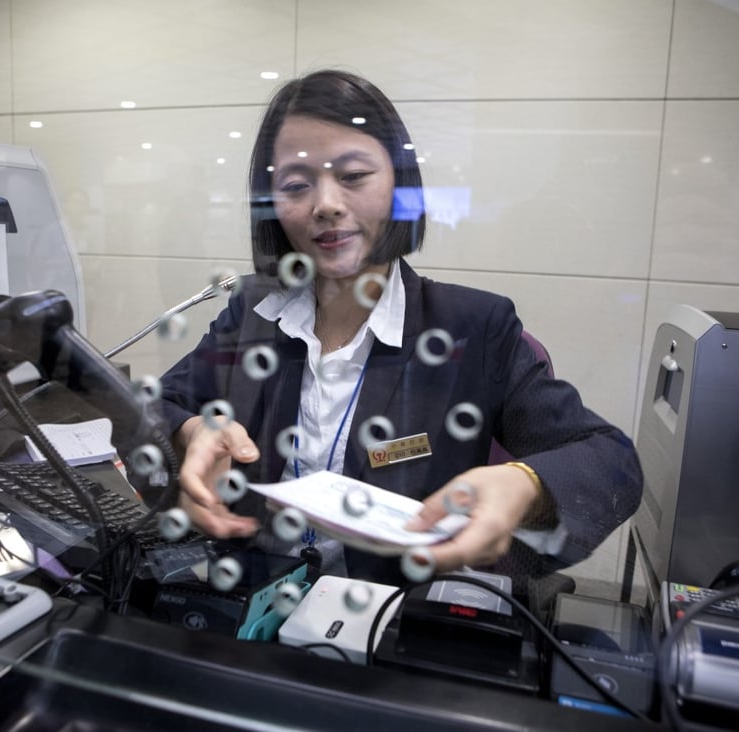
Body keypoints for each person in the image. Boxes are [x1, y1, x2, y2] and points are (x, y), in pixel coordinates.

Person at [159, 70, 643, 586]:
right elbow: (156, 405)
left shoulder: (474, 329)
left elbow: (611, 461)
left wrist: (524, 485)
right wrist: (191, 431)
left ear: (398, 185)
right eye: (297, 185)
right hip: (249, 610)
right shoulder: (256, 312)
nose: (325, 204)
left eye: (353, 176)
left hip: (393, 626)